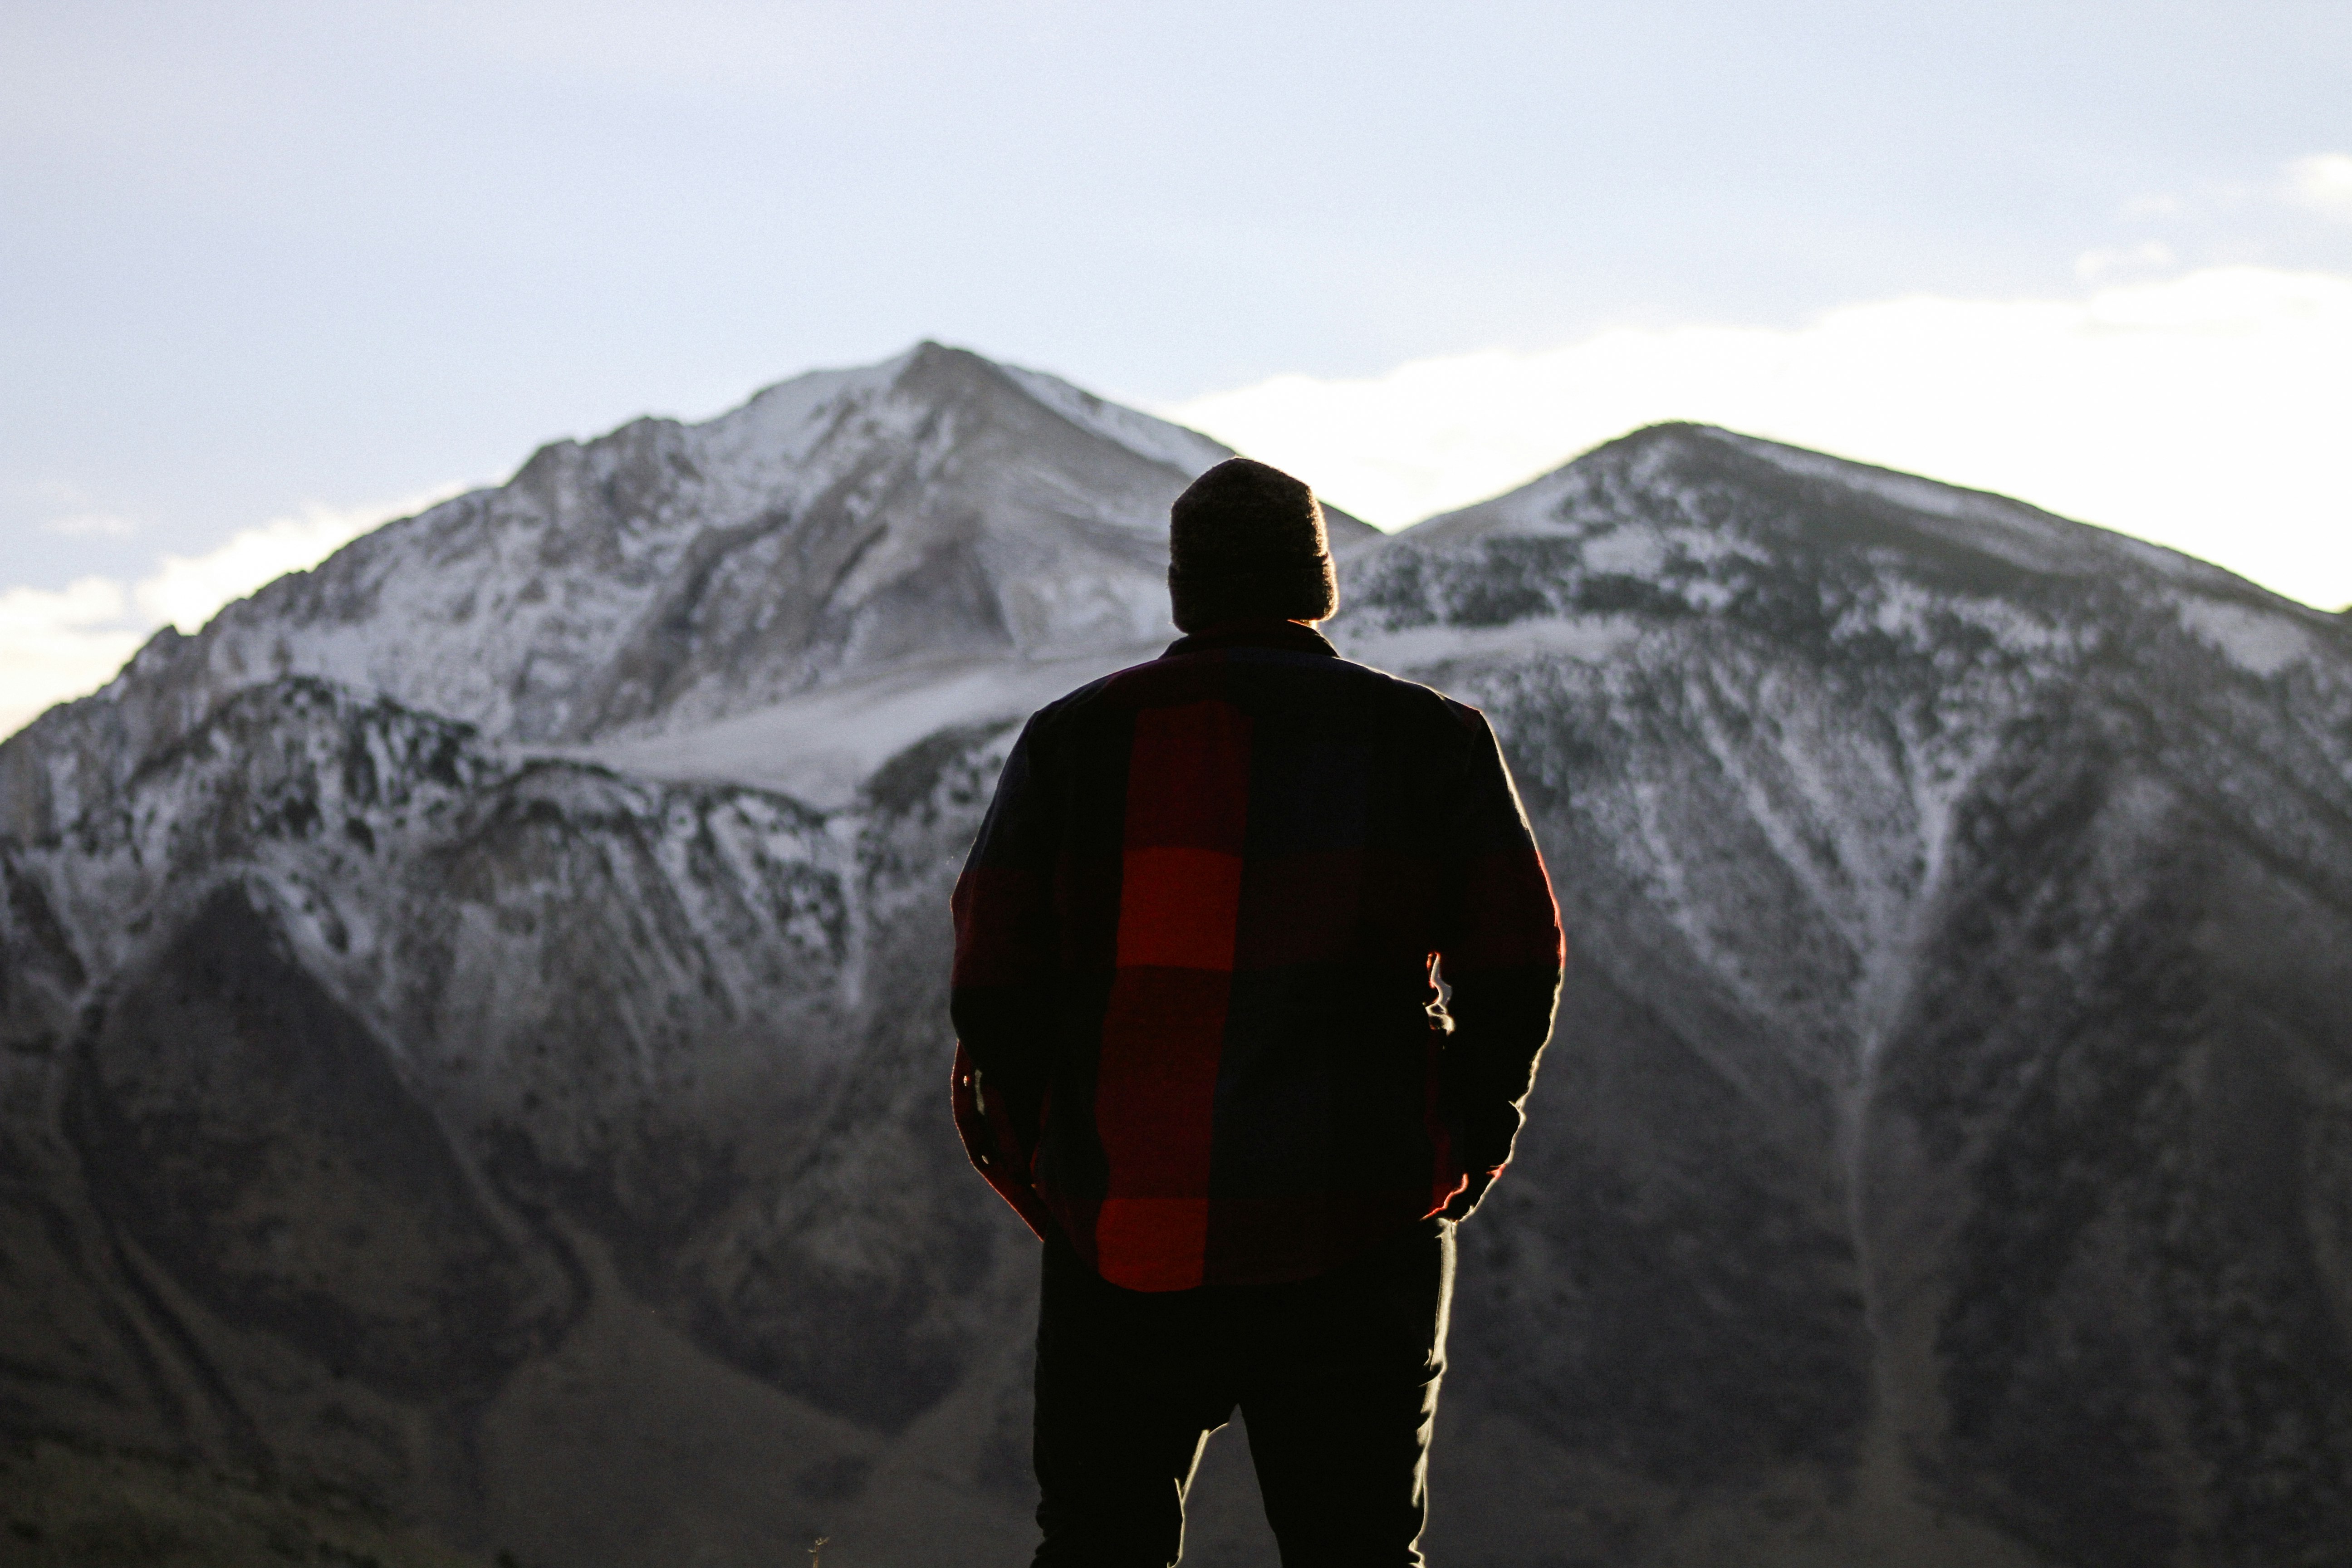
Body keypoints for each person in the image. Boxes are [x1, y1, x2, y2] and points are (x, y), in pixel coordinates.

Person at [950, 457, 1563, 1567]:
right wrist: (1470, 1138)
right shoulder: (1431, 740)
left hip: (1124, 1225)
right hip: (1359, 1222)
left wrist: (1062, 1157)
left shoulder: (1074, 741)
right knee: (1357, 1548)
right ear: (1318, 584)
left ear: (1185, 592)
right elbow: (1519, 965)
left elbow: (994, 983)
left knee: (1097, 1544)